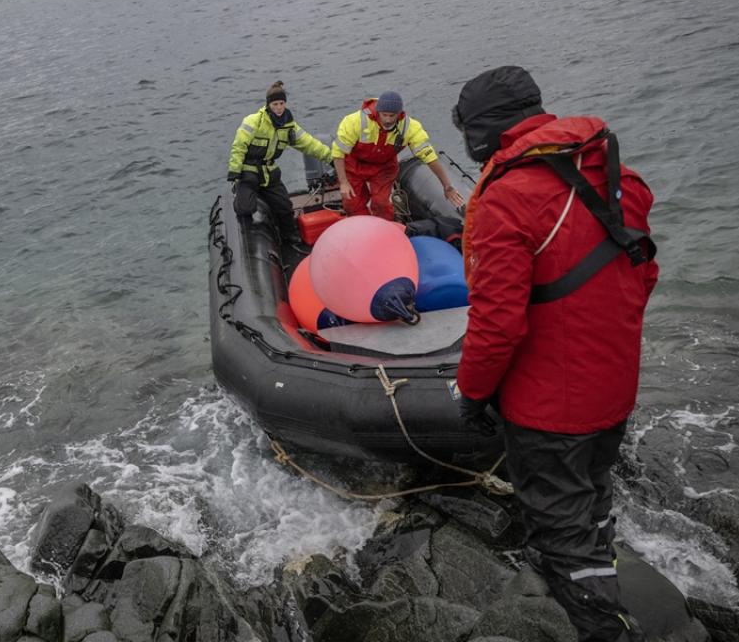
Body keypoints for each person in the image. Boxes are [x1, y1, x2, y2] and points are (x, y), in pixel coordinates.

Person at [450, 67, 658, 642]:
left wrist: (472, 393)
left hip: (549, 405)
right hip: (613, 384)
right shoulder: (618, 175)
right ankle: (594, 569)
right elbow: (643, 274)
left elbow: (496, 324)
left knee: (560, 516)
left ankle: (599, 623)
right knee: (593, 493)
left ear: (481, 133)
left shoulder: (508, 200)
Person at [228, 81, 333, 253]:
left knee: (285, 206)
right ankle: (241, 196)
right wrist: (234, 172)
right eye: (275, 104)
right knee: (246, 207)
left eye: (282, 103)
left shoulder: (289, 126)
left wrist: (330, 158)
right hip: (249, 170)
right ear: (268, 105)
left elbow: (309, 144)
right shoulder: (254, 122)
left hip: (269, 171)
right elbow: (238, 147)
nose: (279, 108)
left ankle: (288, 236)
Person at [331, 90, 465, 220]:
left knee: (381, 203)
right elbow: (338, 153)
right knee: (352, 204)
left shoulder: (410, 127)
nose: (388, 120)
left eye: (392, 116)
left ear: (399, 114)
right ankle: (362, 228)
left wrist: (447, 186)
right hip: (355, 165)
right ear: (378, 112)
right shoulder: (355, 122)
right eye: (384, 115)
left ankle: (385, 231)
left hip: (384, 167)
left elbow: (429, 157)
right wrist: (343, 182)